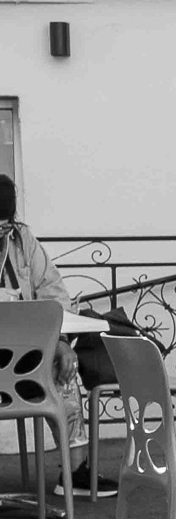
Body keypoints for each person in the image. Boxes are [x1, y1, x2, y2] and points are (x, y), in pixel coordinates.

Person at [0, 174, 88, 484]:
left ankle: (75, 474)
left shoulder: (22, 240)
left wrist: (61, 341)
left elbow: (53, 291)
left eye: (5, 225)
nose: (2, 233)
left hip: (23, 360)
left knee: (64, 368)